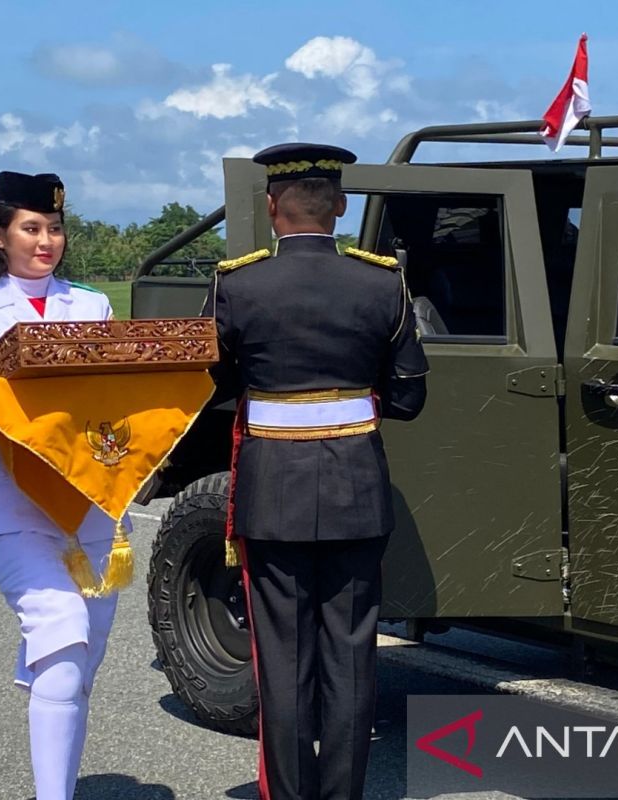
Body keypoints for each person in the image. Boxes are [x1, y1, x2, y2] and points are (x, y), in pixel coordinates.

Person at [206, 143, 429, 800]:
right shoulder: (382, 281)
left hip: (272, 492)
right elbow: (411, 399)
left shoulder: (237, 283)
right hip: (357, 493)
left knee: (282, 662)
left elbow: (212, 387)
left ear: (272, 206)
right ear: (341, 205)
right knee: (352, 659)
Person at [0, 171, 123, 800]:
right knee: (64, 632)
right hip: (13, 501)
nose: (47, 240)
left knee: (79, 663)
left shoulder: (93, 307)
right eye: (32, 228)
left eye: (54, 229)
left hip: (90, 507)